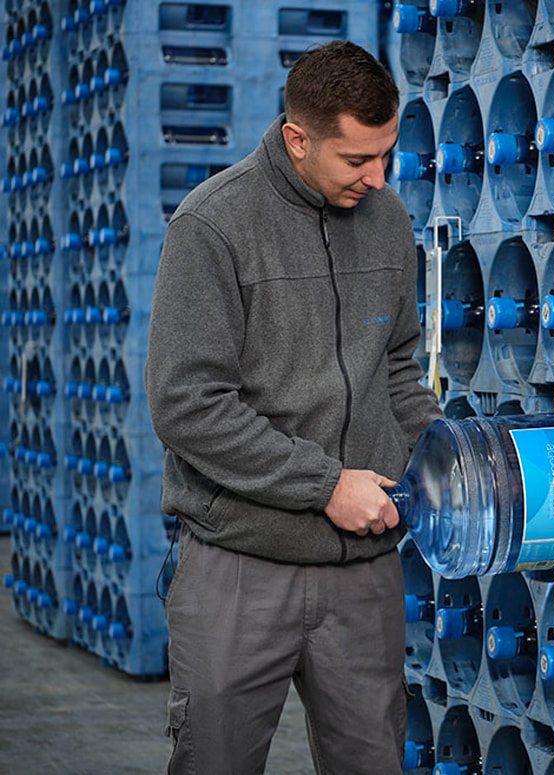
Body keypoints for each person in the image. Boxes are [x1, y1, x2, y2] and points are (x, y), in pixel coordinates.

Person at [144, 40, 443, 775]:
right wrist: (326, 485)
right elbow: (187, 404)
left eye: (387, 154)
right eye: (356, 160)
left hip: (362, 573)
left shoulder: (388, 219)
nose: (377, 178)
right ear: (298, 137)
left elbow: (398, 366)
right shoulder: (212, 225)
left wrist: (443, 455)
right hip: (239, 567)